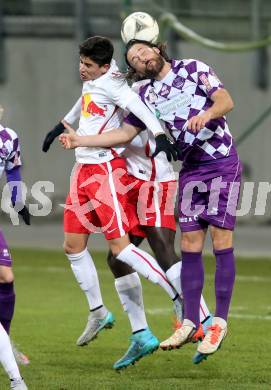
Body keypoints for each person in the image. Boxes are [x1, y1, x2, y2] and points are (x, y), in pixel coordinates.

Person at [60, 39, 242, 364]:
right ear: (129, 68)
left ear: (158, 48)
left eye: (145, 50)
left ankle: (204, 319)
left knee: (165, 245)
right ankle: (147, 331)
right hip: (154, 176)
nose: (142, 57)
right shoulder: (136, 91)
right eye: (134, 57)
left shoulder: (192, 69)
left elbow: (225, 100)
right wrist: (78, 139)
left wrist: (206, 115)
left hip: (163, 177)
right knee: (120, 259)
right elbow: (123, 129)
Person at [42, 36, 181, 368]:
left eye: (88, 65)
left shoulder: (116, 86)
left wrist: (160, 135)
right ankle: (99, 312)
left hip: (105, 170)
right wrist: (62, 123)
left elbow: (141, 109)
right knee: (72, 246)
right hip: (82, 169)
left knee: (122, 249)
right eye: (80, 63)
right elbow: (85, 101)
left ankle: (178, 295)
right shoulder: (96, 81)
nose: (81, 69)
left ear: (105, 66)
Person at [0, 122, 29, 388]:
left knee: (6, 277)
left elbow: (13, 170)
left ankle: (4, 343)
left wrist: (19, 203)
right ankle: (15, 379)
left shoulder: (8, 137)